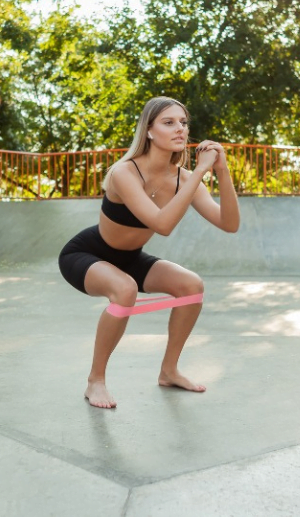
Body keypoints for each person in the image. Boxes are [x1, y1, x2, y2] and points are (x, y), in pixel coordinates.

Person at [58, 96, 241, 409]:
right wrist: (199, 171)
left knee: (191, 285)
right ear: (149, 131)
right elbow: (162, 224)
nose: (179, 128)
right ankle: (95, 380)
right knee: (124, 289)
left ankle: (169, 371)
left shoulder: (183, 179)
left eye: (183, 122)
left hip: (131, 257)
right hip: (87, 253)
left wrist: (221, 172)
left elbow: (229, 223)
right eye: (168, 122)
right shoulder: (124, 172)